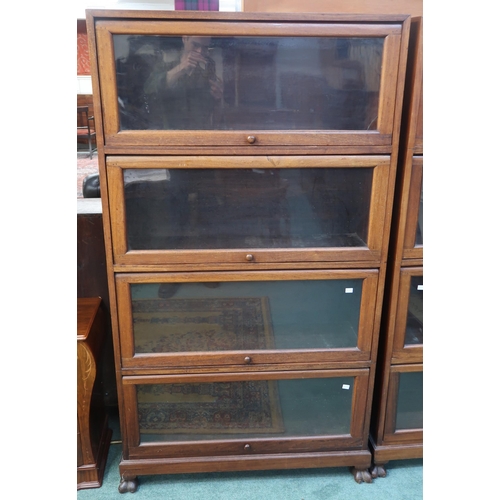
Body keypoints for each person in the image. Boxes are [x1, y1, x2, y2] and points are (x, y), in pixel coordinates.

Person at [143, 36, 223, 129]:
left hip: (198, 135)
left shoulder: (208, 71)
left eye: (205, 47)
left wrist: (218, 98)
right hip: (169, 135)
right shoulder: (165, 64)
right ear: (184, 39)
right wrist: (181, 68)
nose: (200, 51)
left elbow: (215, 115)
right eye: (195, 45)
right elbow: (148, 90)